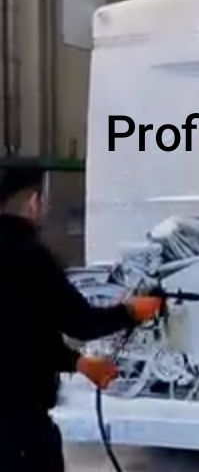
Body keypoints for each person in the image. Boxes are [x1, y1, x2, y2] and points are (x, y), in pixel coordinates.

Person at [0, 163, 162, 471]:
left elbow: (21, 331)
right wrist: (130, 312)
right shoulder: (30, 256)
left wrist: (78, 363)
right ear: (34, 202)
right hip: (19, 426)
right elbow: (80, 323)